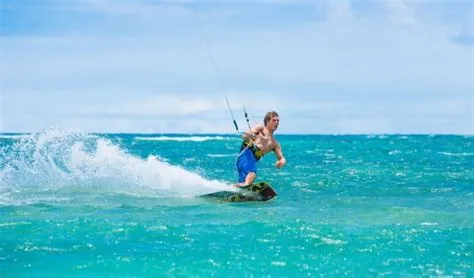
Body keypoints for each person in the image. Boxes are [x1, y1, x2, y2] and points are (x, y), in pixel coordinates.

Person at [235, 111, 286, 186]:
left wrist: (282, 161)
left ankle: (230, 189)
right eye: (274, 120)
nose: (276, 123)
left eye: (278, 121)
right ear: (267, 121)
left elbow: (281, 157)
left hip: (252, 161)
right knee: (252, 174)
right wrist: (249, 135)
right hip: (245, 155)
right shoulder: (260, 129)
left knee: (244, 183)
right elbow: (246, 135)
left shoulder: (274, 144)